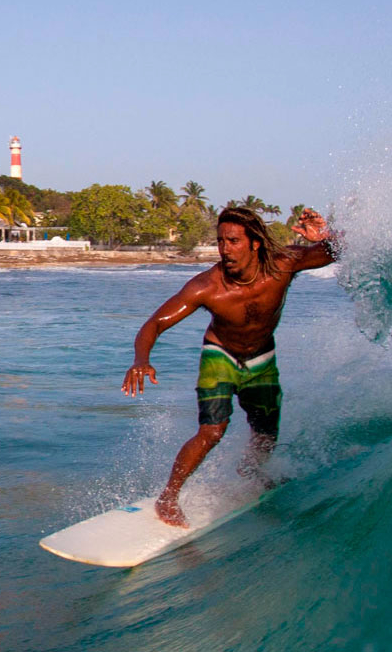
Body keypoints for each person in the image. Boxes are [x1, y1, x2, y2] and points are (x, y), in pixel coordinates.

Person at [121, 206, 338, 527]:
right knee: (211, 431)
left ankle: (251, 471)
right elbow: (154, 323)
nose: (225, 249)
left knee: (265, 433)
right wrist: (141, 359)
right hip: (220, 358)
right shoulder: (207, 286)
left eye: (234, 241)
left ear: (255, 243)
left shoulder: (284, 263)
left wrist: (326, 236)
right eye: (221, 241)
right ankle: (168, 497)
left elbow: (339, 251)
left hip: (262, 358)